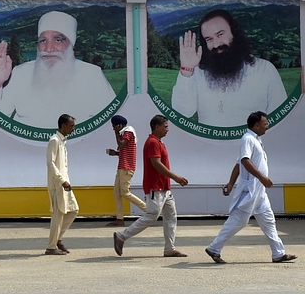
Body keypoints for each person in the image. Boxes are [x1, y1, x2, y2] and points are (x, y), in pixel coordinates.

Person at [0, 11, 116, 128]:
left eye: (58, 40)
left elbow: (111, 123)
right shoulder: (20, 73)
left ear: (71, 44)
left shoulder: (92, 74)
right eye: (43, 41)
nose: (48, 48)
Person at [205, 111, 297, 264]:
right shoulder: (247, 139)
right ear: (256, 125)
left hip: (259, 192)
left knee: (268, 220)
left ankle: (278, 253)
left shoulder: (255, 140)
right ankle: (214, 248)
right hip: (251, 190)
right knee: (239, 220)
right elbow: (244, 161)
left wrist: (230, 183)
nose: (267, 126)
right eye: (265, 124)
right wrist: (261, 177)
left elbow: (238, 164)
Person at [172, 9, 287, 127]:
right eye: (209, 39)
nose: (216, 44)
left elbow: (282, 121)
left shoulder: (265, 70)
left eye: (220, 34)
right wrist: (186, 70)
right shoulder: (198, 72)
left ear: (234, 32)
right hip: (209, 145)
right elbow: (182, 112)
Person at [113, 115, 189, 258]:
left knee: (171, 216)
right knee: (152, 216)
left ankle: (169, 249)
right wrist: (176, 177)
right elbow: (156, 163)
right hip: (156, 187)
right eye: (165, 126)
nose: (168, 129)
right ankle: (121, 236)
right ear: (157, 127)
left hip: (164, 187)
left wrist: (170, 180)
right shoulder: (152, 142)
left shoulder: (158, 142)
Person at [45, 114, 79, 255]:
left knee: (73, 210)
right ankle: (51, 247)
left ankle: (58, 239)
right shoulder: (54, 140)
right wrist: (61, 180)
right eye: (71, 125)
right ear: (63, 126)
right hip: (57, 184)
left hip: (64, 183)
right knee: (58, 216)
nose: (73, 128)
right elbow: (50, 163)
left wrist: (66, 181)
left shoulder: (62, 141)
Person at [106, 115, 147, 227]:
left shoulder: (127, 132)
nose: (113, 128)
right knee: (117, 193)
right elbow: (125, 150)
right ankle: (119, 218)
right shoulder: (126, 132)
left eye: (114, 126)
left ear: (120, 125)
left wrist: (116, 133)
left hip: (126, 167)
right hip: (122, 166)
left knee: (124, 192)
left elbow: (121, 144)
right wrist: (116, 153)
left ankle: (148, 210)